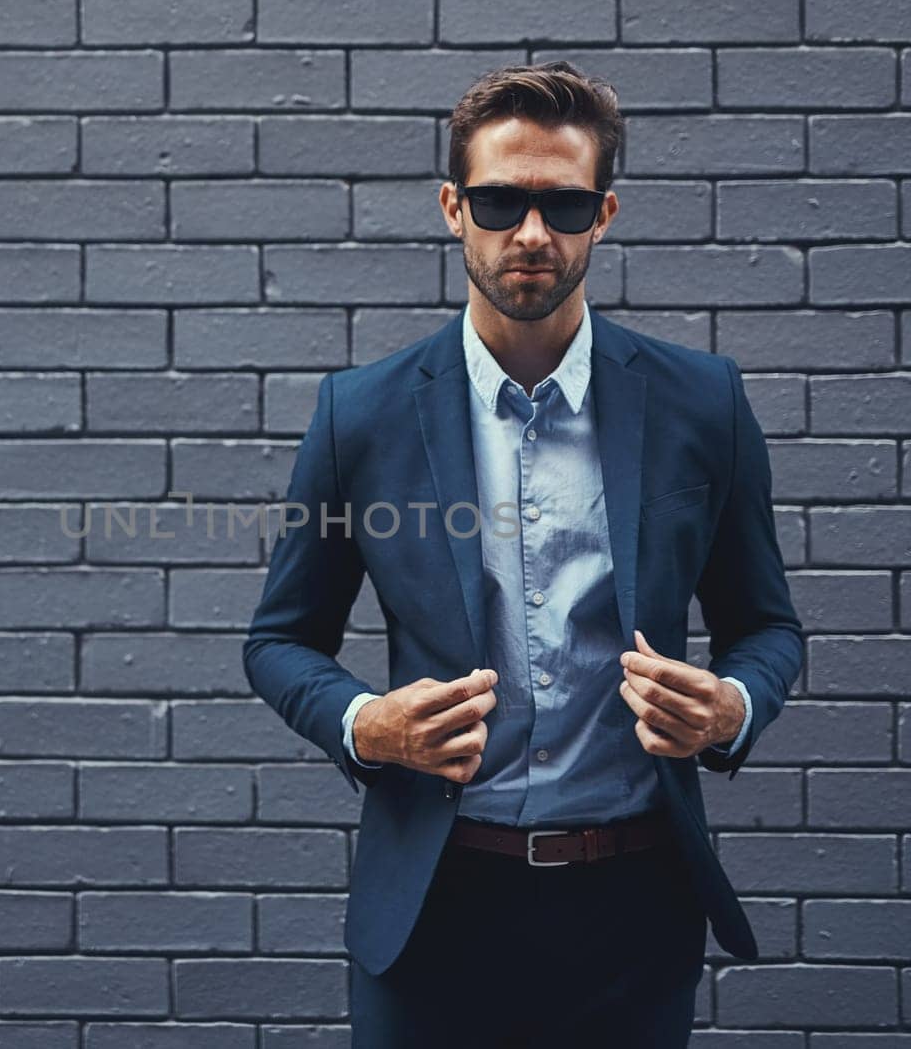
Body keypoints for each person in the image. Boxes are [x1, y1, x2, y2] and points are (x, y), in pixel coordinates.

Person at [242, 61, 804, 1047]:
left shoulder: (700, 404)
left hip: (632, 910)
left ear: (605, 212)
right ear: (453, 208)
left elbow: (766, 626)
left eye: (564, 203)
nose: (531, 233)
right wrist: (365, 722)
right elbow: (279, 640)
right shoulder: (360, 415)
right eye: (501, 201)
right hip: (433, 907)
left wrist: (734, 706)